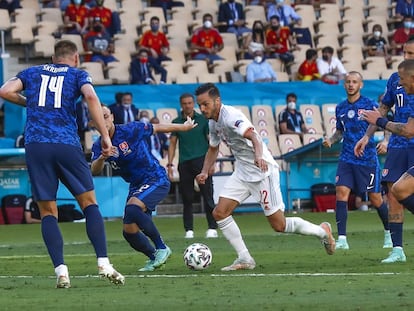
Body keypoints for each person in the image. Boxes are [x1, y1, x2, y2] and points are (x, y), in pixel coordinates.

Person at [0, 40, 124, 288]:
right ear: (75, 58)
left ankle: (61, 272)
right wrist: (105, 136)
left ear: (53, 56)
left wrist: (30, 103)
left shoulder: (32, 72)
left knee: (47, 212)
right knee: (89, 203)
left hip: (36, 145)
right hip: (66, 143)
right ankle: (103, 263)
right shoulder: (78, 74)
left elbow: (5, 91)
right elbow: (90, 96)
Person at [194, 83, 335, 271]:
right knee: (219, 213)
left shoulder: (231, 117)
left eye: (205, 104)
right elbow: (213, 148)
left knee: (279, 225)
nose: (202, 109)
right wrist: (204, 170)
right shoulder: (213, 122)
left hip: (262, 172)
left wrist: (259, 156)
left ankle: (322, 232)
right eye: (200, 105)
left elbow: (253, 136)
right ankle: (245, 258)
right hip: (243, 172)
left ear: (217, 101)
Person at [91, 105, 196, 271]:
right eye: (99, 118)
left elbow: (158, 127)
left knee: (132, 208)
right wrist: (103, 158)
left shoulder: (130, 129)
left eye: (105, 116)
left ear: (112, 117)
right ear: (93, 123)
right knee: (129, 230)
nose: (103, 120)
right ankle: (154, 258)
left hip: (155, 177)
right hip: (136, 185)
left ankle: (162, 247)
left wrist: (183, 127)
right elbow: (94, 170)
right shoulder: (99, 146)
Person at [322, 71, 391, 250]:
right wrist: (331, 139)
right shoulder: (341, 108)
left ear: (361, 85)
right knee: (341, 193)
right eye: (348, 82)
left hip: (367, 159)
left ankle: (389, 233)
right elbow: (339, 131)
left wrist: (385, 140)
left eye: (354, 82)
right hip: (346, 158)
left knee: (376, 199)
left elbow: (385, 123)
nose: (351, 84)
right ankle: (342, 239)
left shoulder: (369, 104)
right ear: (344, 85)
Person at [357, 55, 414, 263]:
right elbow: (383, 109)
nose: (409, 56)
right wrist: (367, 135)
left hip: (409, 139)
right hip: (398, 146)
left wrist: (380, 122)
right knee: (395, 194)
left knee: (402, 190)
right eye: (406, 52)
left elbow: (409, 130)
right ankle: (397, 249)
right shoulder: (396, 80)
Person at [167, 93, 218, 239]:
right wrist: (170, 164)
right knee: (187, 198)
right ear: (181, 104)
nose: (187, 106)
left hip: (202, 162)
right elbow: (172, 144)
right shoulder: (177, 122)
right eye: (184, 103)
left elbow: (211, 142)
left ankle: (212, 227)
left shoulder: (202, 120)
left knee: (208, 195)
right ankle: (188, 229)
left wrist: (212, 163)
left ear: (193, 103)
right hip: (184, 163)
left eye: (190, 103)